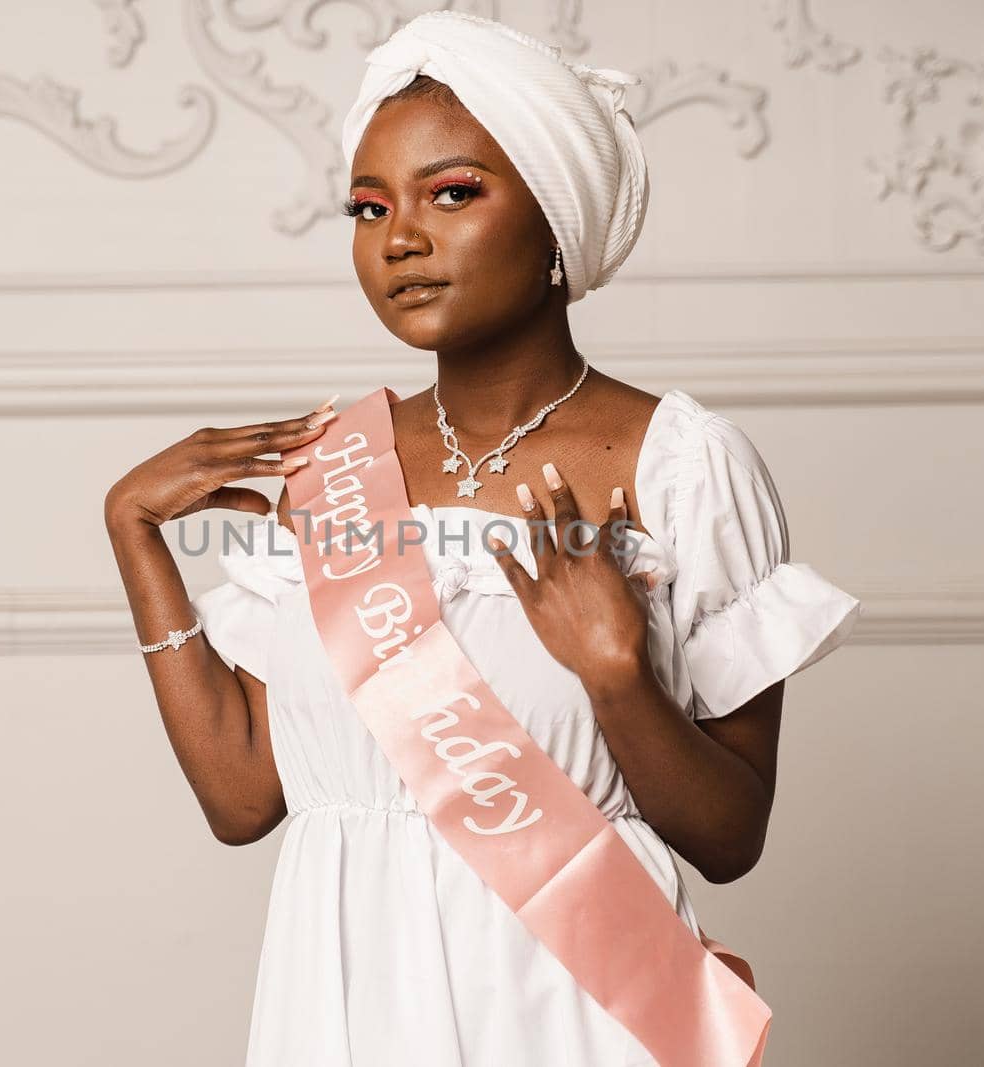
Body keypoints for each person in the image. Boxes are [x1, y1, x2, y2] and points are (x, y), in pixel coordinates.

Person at [103, 11, 862, 1065]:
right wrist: (135, 536)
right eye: (368, 209)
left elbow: (729, 837)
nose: (398, 238)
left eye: (451, 193)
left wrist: (615, 673)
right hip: (348, 998)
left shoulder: (680, 462)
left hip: (578, 1004)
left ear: (554, 219)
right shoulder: (333, 462)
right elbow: (243, 797)